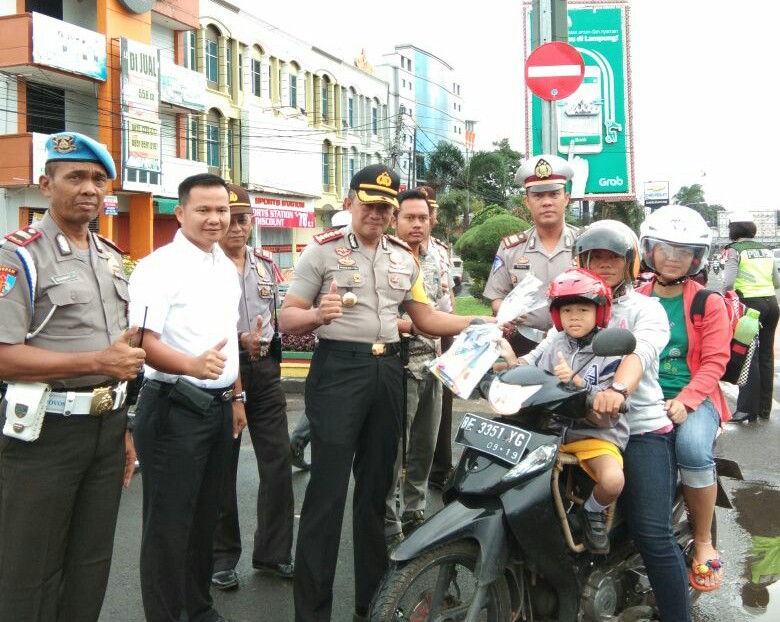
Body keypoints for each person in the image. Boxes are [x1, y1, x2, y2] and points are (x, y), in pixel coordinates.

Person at [280, 164, 493, 622]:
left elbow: (426, 319)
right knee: (328, 493)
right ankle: (311, 613)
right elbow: (287, 318)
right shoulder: (321, 253)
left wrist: (481, 324)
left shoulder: (403, 256)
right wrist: (318, 314)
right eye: (369, 205)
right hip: (339, 371)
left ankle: (372, 605)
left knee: (377, 495)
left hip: (388, 371)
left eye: (385, 208)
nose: (376, 215)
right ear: (349, 203)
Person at [0, 131, 144, 622]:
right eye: (76, 177)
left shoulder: (107, 254)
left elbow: (116, 353)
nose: (89, 188)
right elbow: (3, 356)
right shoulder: (18, 254)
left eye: (99, 180)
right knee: (28, 567)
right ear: (46, 184)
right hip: (44, 433)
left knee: (91, 561)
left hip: (105, 428)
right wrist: (96, 364)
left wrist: (121, 426)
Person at [129, 173, 247, 622]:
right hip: (174, 405)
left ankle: (198, 609)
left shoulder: (224, 265)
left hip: (217, 409)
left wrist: (236, 397)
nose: (215, 219)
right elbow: (143, 341)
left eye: (223, 210)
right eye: (204, 209)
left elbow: (226, 339)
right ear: (180, 213)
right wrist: (190, 365)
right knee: (168, 526)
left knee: (204, 521)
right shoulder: (158, 267)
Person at [574, 221, 692, 622]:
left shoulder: (646, 308)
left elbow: (640, 353)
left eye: (613, 257)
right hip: (580, 426)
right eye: (595, 257)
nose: (604, 265)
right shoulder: (574, 301)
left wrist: (619, 391)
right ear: (583, 261)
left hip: (639, 427)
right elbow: (545, 343)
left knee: (652, 534)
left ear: (629, 263)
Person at [637, 205, 732, 591]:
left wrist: (688, 401)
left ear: (696, 258)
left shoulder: (707, 302)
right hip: (642, 396)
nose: (673, 257)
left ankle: (704, 539)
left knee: (693, 448)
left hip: (695, 398)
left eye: (683, 251)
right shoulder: (636, 297)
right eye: (665, 248)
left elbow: (715, 362)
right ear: (650, 251)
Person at [501, 267, 627, 555]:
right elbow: (528, 364)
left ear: (601, 312)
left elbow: (610, 404)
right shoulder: (554, 341)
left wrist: (582, 385)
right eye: (567, 309)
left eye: (583, 309)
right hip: (549, 431)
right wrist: (508, 360)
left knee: (612, 480)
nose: (574, 316)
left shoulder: (610, 349)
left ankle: (593, 512)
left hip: (594, 433)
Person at [211, 184, 295, 591]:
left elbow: (275, 318)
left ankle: (274, 553)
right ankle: (222, 557)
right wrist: (238, 341)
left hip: (264, 373)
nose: (237, 227)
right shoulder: (205, 267)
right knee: (222, 466)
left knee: (279, 462)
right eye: (230, 218)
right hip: (222, 373)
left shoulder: (265, 264)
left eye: (244, 219)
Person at [384, 188, 446, 543]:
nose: (418, 224)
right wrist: (419, 323)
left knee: (426, 442)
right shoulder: (386, 256)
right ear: (396, 220)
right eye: (410, 217)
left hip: (434, 363)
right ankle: (390, 515)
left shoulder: (438, 254)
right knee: (395, 447)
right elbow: (377, 317)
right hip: (400, 364)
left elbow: (445, 306)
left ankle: (414, 508)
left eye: (423, 217)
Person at [483, 154, 579, 356]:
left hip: (577, 343)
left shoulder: (585, 245)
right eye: (538, 196)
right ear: (527, 202)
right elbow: (497, 296)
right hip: (524, 343)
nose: (546, 202)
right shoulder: (511, 248)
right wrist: (506, 314)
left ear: (567, 199)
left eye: (554, 194)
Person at [289, 191, 356, 471]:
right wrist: (318, 314)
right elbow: (297, 307)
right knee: (324, 412)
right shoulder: (321, 252)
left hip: (362, 351)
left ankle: (299, 441)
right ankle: (299, 441)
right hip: (333, 346)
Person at [415, 185, 459, 491]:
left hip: (445, 334)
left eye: (429, 212)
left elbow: (449, 293)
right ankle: (411, 468)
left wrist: (455, 326)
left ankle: (441, 467)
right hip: (415, 333)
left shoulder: (442, 249)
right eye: (418, 213)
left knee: (443, 403)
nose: (425, 218)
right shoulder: (401, 249)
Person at [721, 211, 780, 422]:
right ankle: (764, 408)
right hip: (772, 303)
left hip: (749, 306)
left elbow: (728, 283)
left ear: (733, 229)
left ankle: (746, 408)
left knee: (748, 355)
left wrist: (722, 298)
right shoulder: (766, 250)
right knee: (765, 355)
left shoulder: (733, 250)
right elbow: (776, 281)